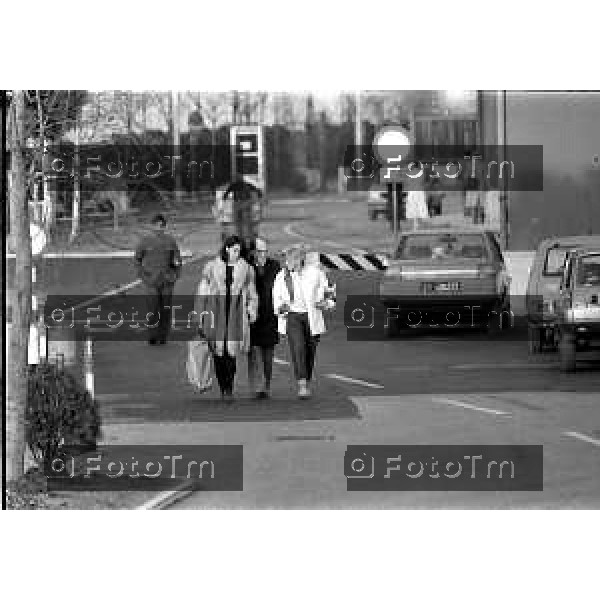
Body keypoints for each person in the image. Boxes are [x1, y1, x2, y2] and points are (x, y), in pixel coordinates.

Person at [195, 235, 258, 403]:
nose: (237, 253)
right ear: (227, 249)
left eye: (239, 250)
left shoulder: (247, 269)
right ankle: (223, 387)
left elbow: (252, 294)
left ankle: (228, 388)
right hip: (215, 314)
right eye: (234, 250)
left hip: (236, 315)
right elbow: (202, 293)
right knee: (217, 354)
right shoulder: (211, 267)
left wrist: (251, 311)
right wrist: (200, 315)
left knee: (231, 355)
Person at [273, 246, 335, 399]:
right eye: (287, 260)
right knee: (298, 348)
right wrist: (281, 308)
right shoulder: (282, 276)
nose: (288, 263)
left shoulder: (315, 273)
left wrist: (326, 303)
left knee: (310, 351)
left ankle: (305, 379)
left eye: (291, 260)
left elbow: (329, 291)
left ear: (300, 259)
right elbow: (276, 297)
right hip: (293, 316)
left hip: (312, 317)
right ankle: (302, 384)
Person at [134, 213, 182, 345]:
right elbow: (137, 260)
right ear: (151, 226)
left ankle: (163, 336)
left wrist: (175, 276)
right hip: (151, 282)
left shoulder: (171, 241)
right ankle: (152, 335)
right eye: (156, 225)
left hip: (167, 281)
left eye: (161, 226)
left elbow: (177, 260)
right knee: (153, 309)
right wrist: (144, 277)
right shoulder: (144, 241)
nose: (159, 228)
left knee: (165, 309)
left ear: (164, 227)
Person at [247, 237, 281, 399]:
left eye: (265, 251)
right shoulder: (246, 266)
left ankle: (266, 384)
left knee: (268, 354)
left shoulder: (274, 265)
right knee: (254, 352)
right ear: (253, 252)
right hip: (252, 317)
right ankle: (258, 386)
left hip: (270, 316)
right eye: (260, 251)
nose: (263, 254)